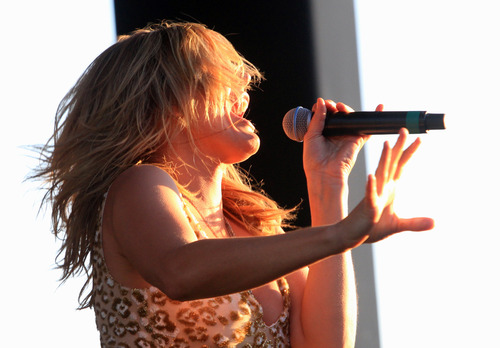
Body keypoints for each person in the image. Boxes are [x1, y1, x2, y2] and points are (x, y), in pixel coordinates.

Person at [34, 20, 434, 348]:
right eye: (221, 78)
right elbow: (181, 271)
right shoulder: (138, 184)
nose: (244, 89)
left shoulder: (257, 228)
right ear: (170, 100)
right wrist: (342, 233)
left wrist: (329, 186)